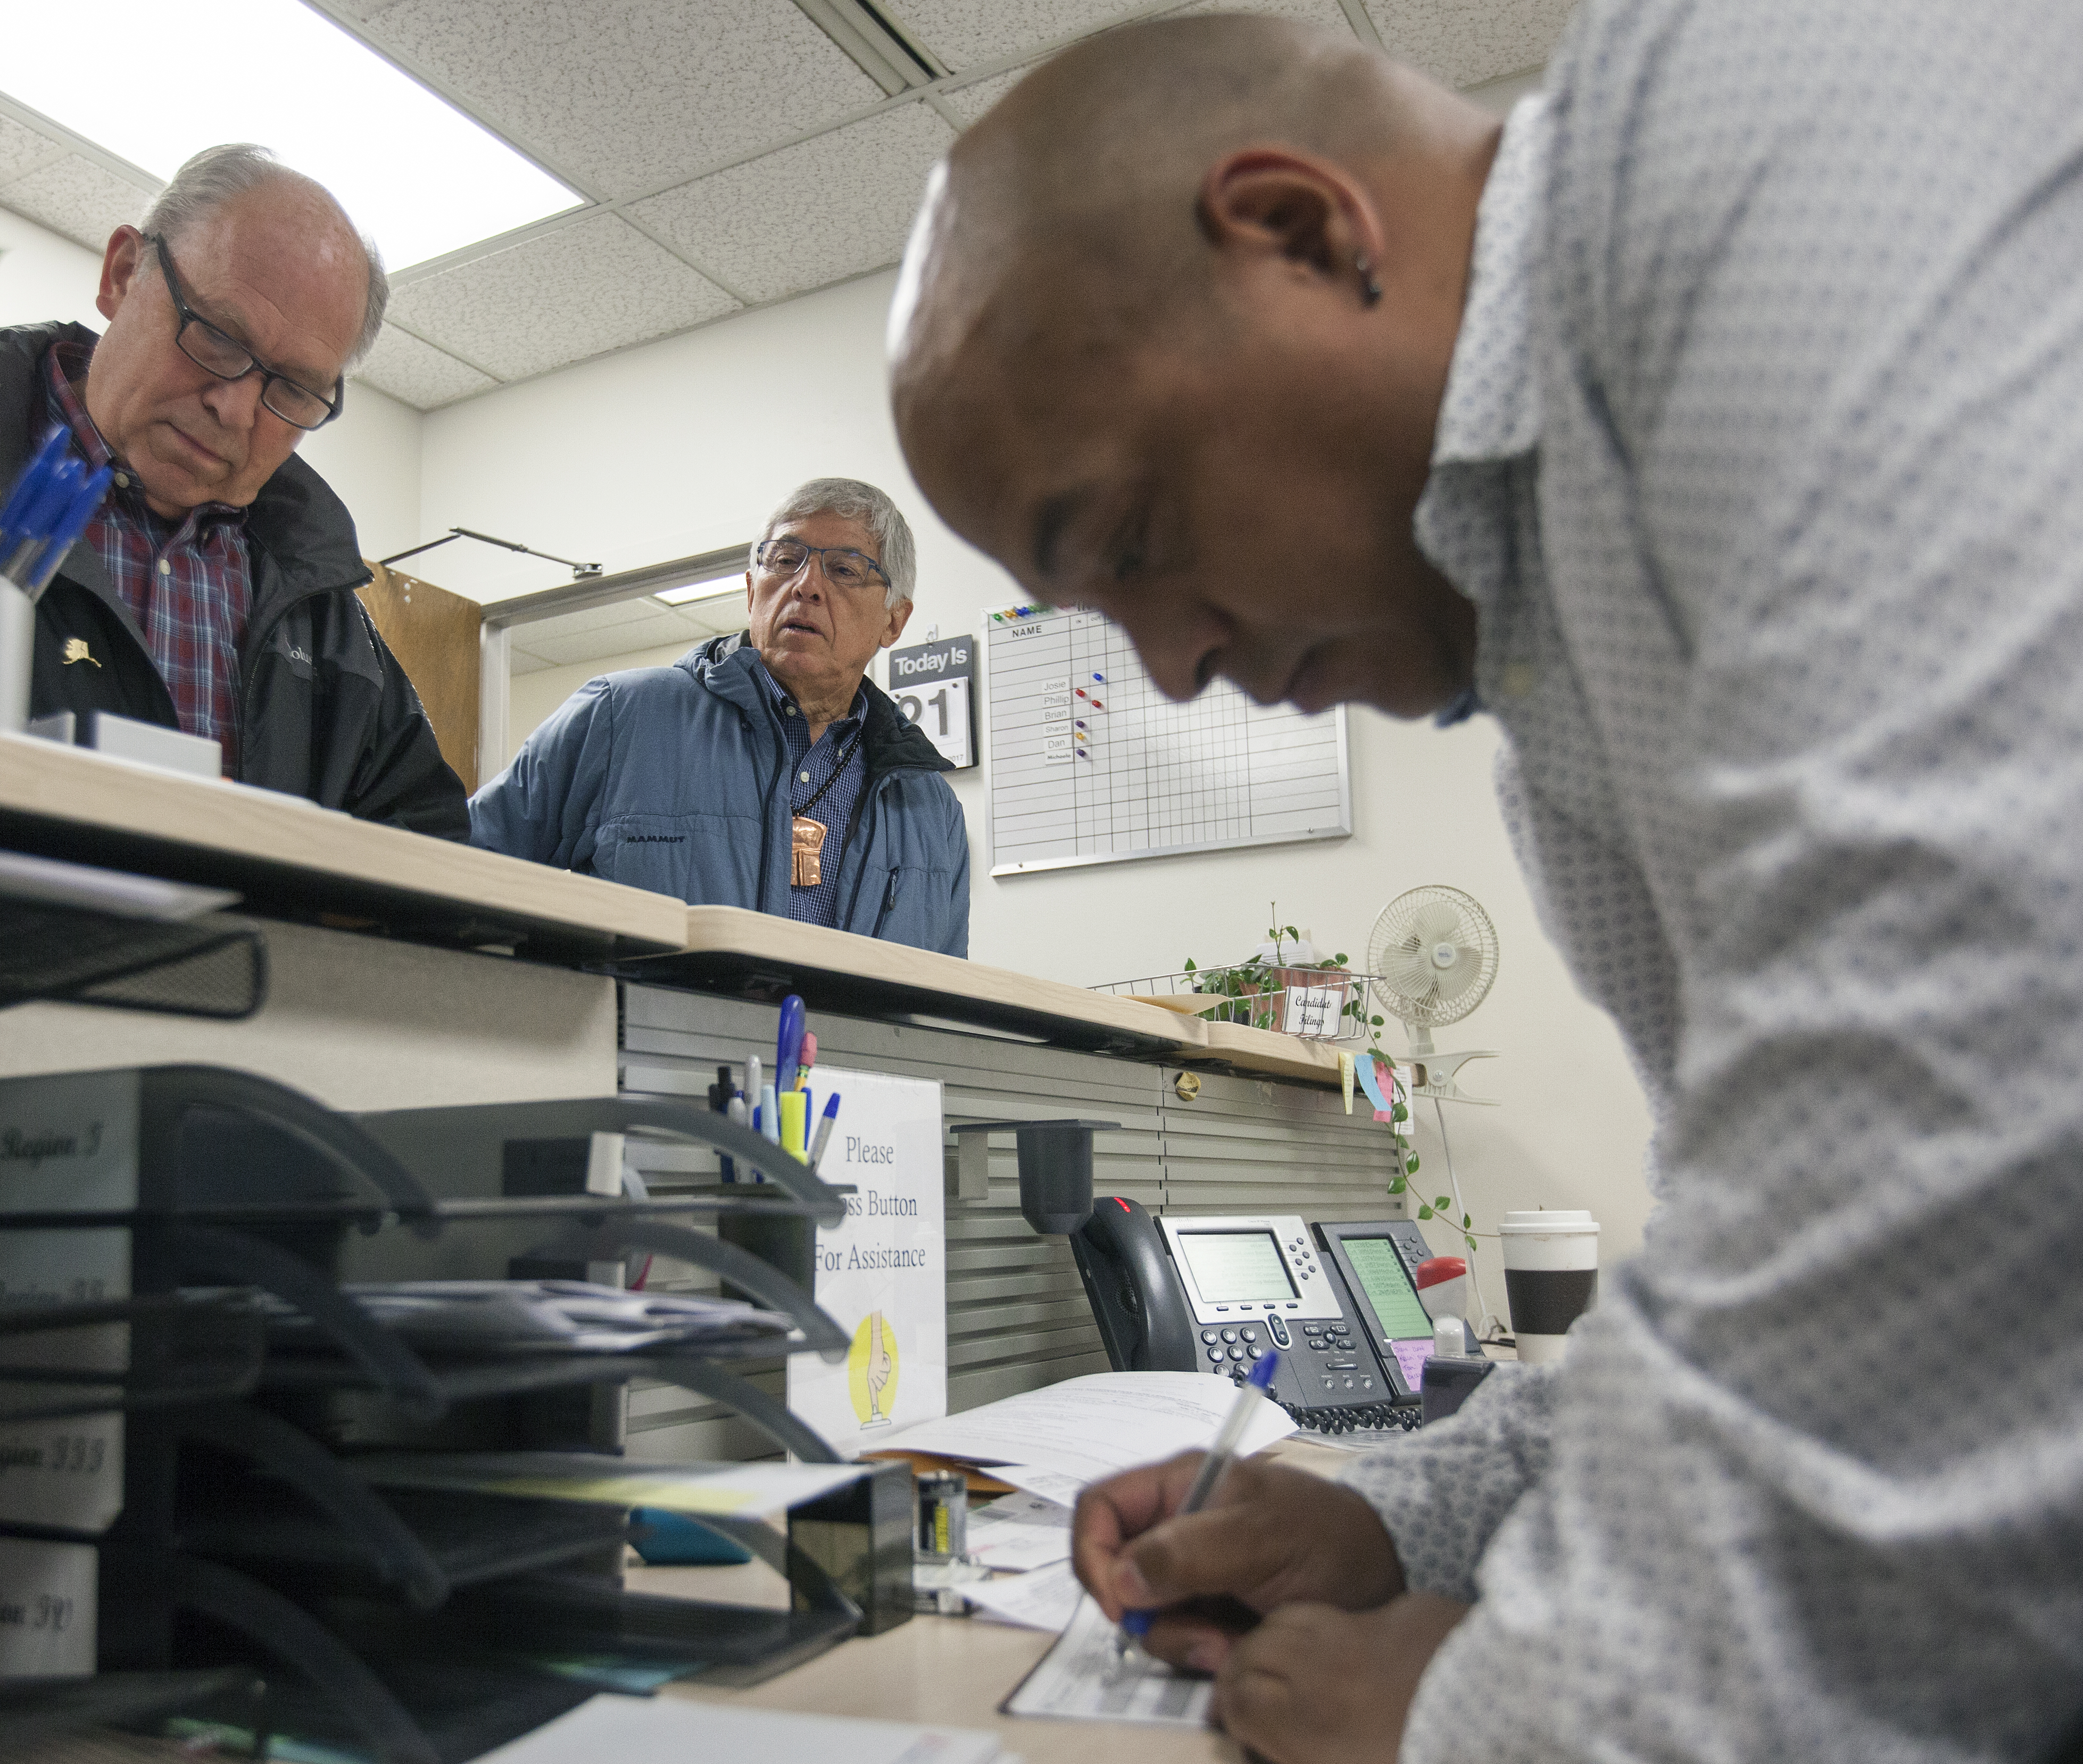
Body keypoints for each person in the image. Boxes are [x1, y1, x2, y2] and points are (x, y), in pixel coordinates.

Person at [889, 5, 2083, 1762]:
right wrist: (1398, 1519)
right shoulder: (1557, 667)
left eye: (1129, 541)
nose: (1161, 670)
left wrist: (1484, 1720)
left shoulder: (1756, 114)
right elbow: (1774, 1307)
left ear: (1302, 231)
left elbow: (1978, 1132)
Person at [0, 144, 467, 839]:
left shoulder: (330, 626)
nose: (234, 408)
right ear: (122, 274)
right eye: (218, 337)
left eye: (291, 388)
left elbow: (426, 866)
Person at [470, 478, 968, 954]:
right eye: (786, 560)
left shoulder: (931, 810)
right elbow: (460, 872)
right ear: (752, 590)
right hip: (640, 1042)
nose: (806, 586)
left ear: (893, 619)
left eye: (844, 569)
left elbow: (943, 1000)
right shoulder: (620, 717)